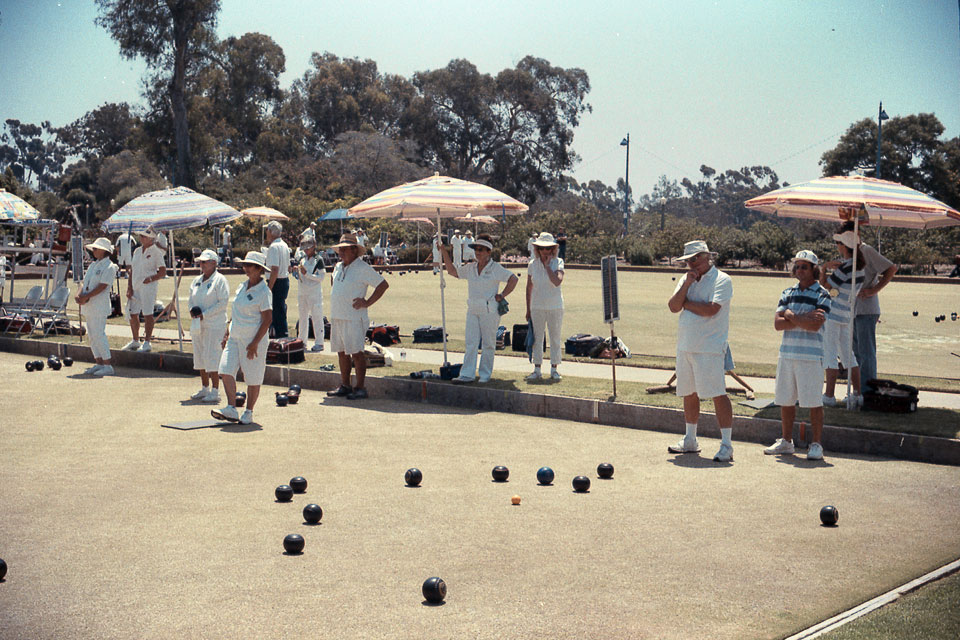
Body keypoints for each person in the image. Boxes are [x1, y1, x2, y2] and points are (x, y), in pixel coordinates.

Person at [666, 240, 735, 463]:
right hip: (686, 344)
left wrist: (687, 303)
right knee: (688, 392)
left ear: (707, 257)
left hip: (710, 347)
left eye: (695, 258)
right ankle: (690, 440)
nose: (691, 263)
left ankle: (726, 444)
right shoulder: (687, 279)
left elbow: (711, 309)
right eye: (687, 260)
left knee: (717, 393)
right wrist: (686, 286)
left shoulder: (722, 280)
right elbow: (673, 306)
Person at [765, 251, 832, 460]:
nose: (800, 270)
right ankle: (786, 442)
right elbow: (777, 324)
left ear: (814, 269)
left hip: (811, 357)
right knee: (785, 399)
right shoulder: (787, 292)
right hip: (787, 354)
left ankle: (816, 444)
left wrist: (790, 315)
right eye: (797, 266)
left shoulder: (823, 294)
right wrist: (803, 317)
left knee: (813, 401)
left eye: (805, 266)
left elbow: (815, 325)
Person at [440, 233, 518, 384]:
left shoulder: (496, 268)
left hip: (490, 311)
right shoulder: (471, 267)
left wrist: (502, 295)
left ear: (489, 251)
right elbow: (452, 271)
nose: (478, 252)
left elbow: (513, 279)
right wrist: (444, 251)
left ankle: (485, 375)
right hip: (473, 309)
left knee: (488, 343)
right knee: (471, 343)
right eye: (476, 249)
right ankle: (467, 374)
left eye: (481, 249)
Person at [212, 251, 273, 425]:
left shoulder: (264, 291)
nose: (245, 268)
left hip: (253, 341)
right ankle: (231, 408)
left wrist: (254, 343)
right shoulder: (241, 286)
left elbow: (268, 319)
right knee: (225, 369)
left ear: (259, 269)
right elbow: (235, 313)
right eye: (244, 265)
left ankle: (249, 411)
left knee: (253, 378)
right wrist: (227, 332)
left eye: (249, 266)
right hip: (235, 338)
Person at [326, 233, 389, 400]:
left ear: (354, 250)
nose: (341, 253)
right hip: (337, 315)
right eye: (340, 249)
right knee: (341, 351)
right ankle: (345, 385)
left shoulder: (363, 268)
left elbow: (383, 285)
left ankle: (360, 387)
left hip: (354, 317)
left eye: (345, 249)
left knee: (357, 352)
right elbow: (334, 284)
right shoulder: (338, 267)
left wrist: (367, 302)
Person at [842, 221, 897, 393]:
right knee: (855, 353)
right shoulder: (849, 253)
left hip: (867, 309)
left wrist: (874, 290)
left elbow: (891, 268)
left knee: (866, 353)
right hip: (851, 309)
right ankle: (857, 391)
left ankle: (868, 393)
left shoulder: (867, 250)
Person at [819, 230, 865, 408]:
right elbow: (836, 291)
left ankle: (829, 396)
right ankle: (857, 394)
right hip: (847, 313)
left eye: (838, 243)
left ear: (844, 246)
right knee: (848, 355)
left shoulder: (846, 267)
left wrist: (824, 268)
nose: (837, 246)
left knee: (829, 354)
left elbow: (825, 287)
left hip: (833, 314)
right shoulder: (858, 267)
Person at [187, 249, 230, 404]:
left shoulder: (220, 280)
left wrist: (205, 314)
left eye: (205, 262)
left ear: (213, 263)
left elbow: (223, 302)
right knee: (199, 355)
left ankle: (215, 390)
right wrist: (192, 311)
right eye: (200, 262)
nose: (202, 264)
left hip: (214, 324)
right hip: (198, 324)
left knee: (212, 356)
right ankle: (204, 387)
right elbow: (191, 299)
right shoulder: (196, 280)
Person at [76, 237, 119, 376]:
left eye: (96, 248)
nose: (93, 251)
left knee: (99, 334)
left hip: (99, 305)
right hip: (88, 305)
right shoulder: (93, 265)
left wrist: (86, 296)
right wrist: (79, 295)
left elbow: (103, 286)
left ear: (104, 251)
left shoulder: (110, 267)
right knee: (92, 335)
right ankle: (99, 362)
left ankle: (107, 364)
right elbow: (84, 283)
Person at [525, 232, 565, 381]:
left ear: (553, 249)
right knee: (537, 338)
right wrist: (528, 309)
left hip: (555, 307)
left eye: (548, 248)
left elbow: (557, 281)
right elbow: (529, 287)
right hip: (537, 307)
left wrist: (548, 267)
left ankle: (554, 369)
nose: (545, 251)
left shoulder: (558, 262)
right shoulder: (532, 264)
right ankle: (537, 369)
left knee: (555, 338)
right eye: (542, 249)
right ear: (538, 249)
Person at [123, 228, 167, 353]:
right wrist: (129, 288)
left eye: (144, 236)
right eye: (141, 236)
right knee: (132, 313)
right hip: (135, 285)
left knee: (147, 314)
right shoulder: (137, 251)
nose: (141, 238)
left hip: (148, 287)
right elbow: (132, 271)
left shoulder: (156, 252)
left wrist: (151, 278)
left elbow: (163, 271)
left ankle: (147, 342)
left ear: (152, 238)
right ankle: (135, 340)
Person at [295, 236, 326, 352]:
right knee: (302, 318)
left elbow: (321, 277)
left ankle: (319, 342)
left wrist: (307, 274)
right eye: (305, 248)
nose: (306, 251)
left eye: (308, 248)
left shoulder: (319, 260)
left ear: (314, 247)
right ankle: (302, 341)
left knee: (317, 317)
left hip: (314, 293)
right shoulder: (302, 259)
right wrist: (297, 272)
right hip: (302, 292)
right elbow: (301, 275)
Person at [264, 220, 290, 338]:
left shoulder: (274, 247)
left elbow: (274, 269)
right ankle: (281, 334)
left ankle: (280, 337)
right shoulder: (284, 245)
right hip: (284, 280)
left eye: (267, 230)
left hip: (276, 281)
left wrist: (269, 288)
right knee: (280, 309)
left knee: (276, 311)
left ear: (270, 232)